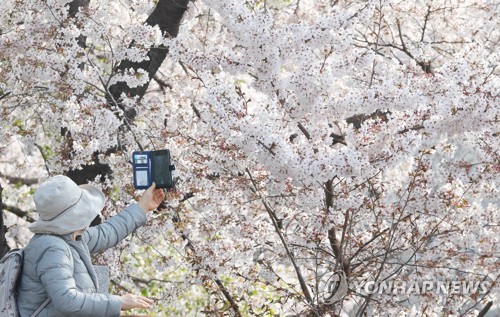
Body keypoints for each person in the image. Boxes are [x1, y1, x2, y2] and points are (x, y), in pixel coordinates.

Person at [16, 175, 166, 317]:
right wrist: (119, 302)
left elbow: (108, 232)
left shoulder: (70, 237)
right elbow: (67, 300)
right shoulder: (53, 248)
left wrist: (143, 207)